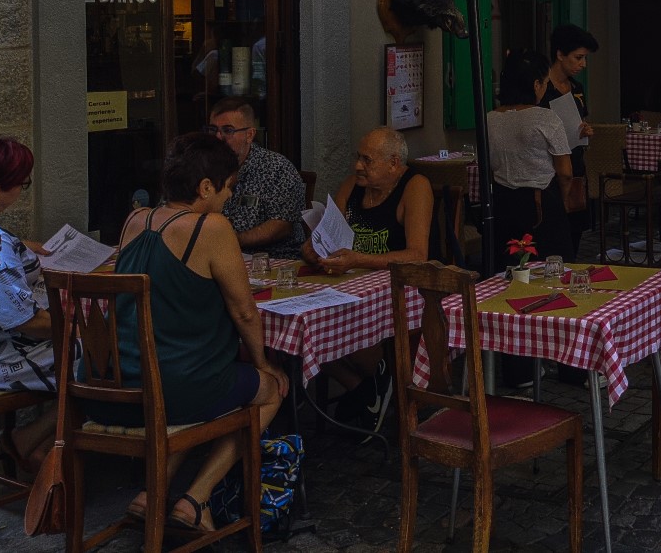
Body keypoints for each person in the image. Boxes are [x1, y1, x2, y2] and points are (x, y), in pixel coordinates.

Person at [103, 133, 288, 531]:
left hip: (113, 390)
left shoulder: (135, 220)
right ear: (205, 187)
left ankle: (151, 494)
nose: (228, 198)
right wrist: (263, 363)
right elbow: (244, 311)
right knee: (269, 390)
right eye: (227, 189)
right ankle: (195, 498)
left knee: (189, 384)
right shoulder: (211, 227)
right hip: (172, 392)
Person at [301, 127, 433, 428]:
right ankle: (365, 387)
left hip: (399, 291)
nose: (357, 166)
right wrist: (314, 247)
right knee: (313, 330)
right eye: (358, 158)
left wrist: (360, 259)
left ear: (394, 163)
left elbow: (417, 254)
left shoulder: (415, 186)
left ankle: (375, 379)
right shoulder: (353, 186)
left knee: (338, 333)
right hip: (348, 285)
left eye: (367, 160)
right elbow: (331, 234)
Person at [489, 49, 573, 388]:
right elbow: (565, 171)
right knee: (557, 280)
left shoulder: (491, 118)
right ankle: (569, 363)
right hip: (543, 206)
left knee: (513, 283)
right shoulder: (544, 118)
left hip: (504, 206)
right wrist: (563, 204)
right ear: (537, 84)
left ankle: (518, 369)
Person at [0, 135, 57, 474]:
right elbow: (21, 319)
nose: (21, 190)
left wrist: (21, 247)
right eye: (21, 184)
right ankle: (31, 440)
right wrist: (70, 321)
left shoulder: (0, 240)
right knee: (106, 360)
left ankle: (37, 442)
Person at [209, 98, 305, 258]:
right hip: (218, 256)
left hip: (273, 259)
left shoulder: (276, 167)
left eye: (228, 130)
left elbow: (281, 224)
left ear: (249, 135)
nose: (218, 137)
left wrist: (233, 240)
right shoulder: (203, 167)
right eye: (213, 130)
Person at [542, 23, 598, 258]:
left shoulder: (576, 88)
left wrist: (584, 130)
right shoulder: (542, 89)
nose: (582, 64)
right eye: (578, 58)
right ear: (560, 54)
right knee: (554, 235)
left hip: (575, 166)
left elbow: (580, 119)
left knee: (575, 231)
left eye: (584, 58)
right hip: (550, 170)